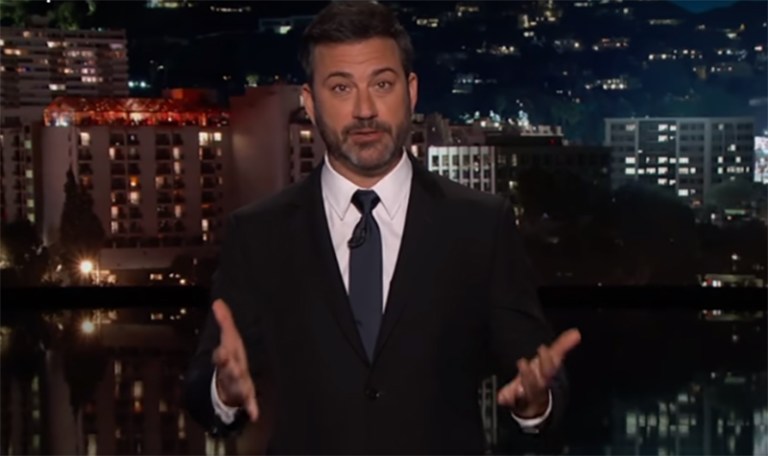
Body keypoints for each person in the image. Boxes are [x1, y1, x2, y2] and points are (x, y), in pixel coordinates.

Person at [184, 1, 581, 453]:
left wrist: (535, 402)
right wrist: (224, 392)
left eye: (382, 84)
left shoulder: (480, 225)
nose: (365, 109)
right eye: (341, 88)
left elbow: (536, 370)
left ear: (411, 91)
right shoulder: (259, 234)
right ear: (309, 103)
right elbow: (201, 388)